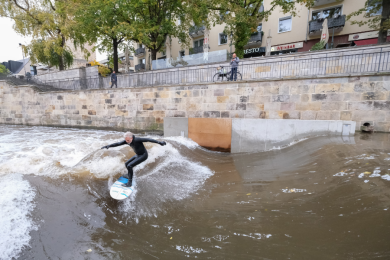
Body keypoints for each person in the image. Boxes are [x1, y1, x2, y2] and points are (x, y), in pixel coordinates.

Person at [101, 132, 166, 187]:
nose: (127, 142)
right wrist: (108, 146)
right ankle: (129, 175)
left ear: (131, 138)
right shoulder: (127, 140)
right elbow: (118, 144)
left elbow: (148, 139)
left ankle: (129, 182)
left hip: (143, 155)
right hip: (138, 155)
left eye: (128, 140)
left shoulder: (137, 140)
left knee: (130, 166)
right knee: (126, 164)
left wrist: (160, 142)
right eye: (126, 140)